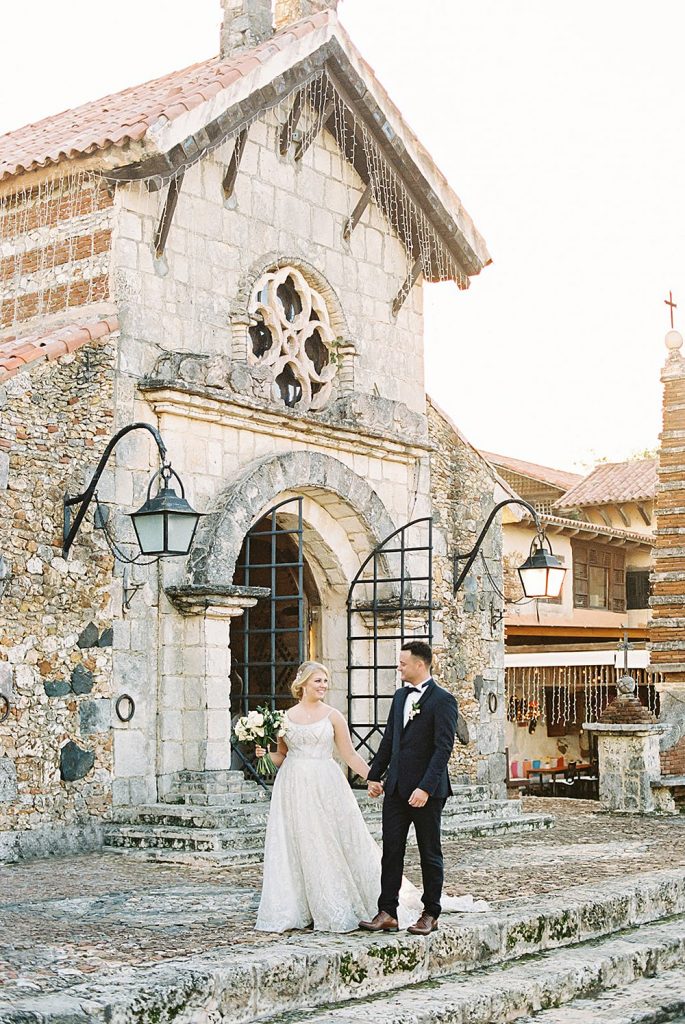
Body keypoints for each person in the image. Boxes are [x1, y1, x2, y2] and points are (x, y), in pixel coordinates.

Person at [255, 658, 486, 933]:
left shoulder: (333, 716)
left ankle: (337, 903)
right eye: (318, 681)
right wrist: (264, 754)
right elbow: (282, 756)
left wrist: (373, 778)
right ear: (302, 684)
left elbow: (349, 754)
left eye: (326, 681)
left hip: (324, 784)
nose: (323, 686)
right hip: (291, 786)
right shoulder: (284, 718)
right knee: (295, 842)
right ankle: (299, 904)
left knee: (326, 840)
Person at [359, 640, 457, 936]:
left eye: (402, 663)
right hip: (397, 789)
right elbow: (390, 740)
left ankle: (431, 913)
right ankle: (387, 911)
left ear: (420, 664)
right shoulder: (401, 696)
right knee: (391, 851)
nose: (398, 667)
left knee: (429, 852)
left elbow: (443, 749)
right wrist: (374, 776)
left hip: (427, 792)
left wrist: (425, 788)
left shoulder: (443, 700)